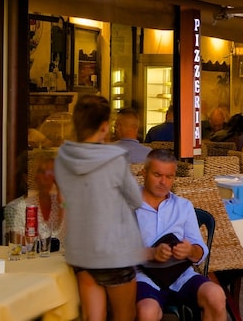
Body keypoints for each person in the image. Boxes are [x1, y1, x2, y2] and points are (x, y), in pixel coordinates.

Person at [55, 94, 145, 321]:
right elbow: (136, 199)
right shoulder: (115, 159)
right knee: (125, 316)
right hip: (115, 252)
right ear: (105, 127)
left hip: (81, 251)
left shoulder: (62, 158)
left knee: (93, 318)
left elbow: (66, 199)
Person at [135, 149, 227, 321]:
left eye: (169, 176)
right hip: (144, 276)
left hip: (180, 275)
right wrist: (152, 253)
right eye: (157, 175)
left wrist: (190, 250)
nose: (163, 182)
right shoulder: (128, 205)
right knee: (147, 312)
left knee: (216, 295)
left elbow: (200, 252)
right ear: (144, 172)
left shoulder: (183, 206)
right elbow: (117, 253)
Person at [3, 151, 64, 248]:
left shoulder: (60, 203)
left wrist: (61, 191)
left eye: (52, 172)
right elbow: (16, 242)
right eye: (43, 172)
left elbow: (69, 236)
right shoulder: (18, 207)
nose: (48, 176)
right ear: (32, 177)